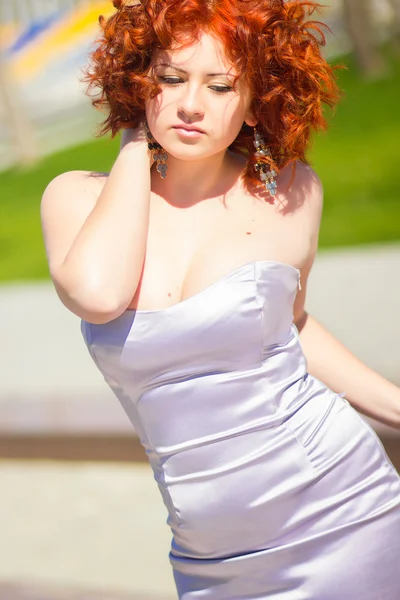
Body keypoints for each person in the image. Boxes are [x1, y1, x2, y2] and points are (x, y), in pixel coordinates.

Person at [40, 0, 400, 597]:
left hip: (341, 509)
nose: (189, 104)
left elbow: (291, 326)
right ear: (137, 81)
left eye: (220, 84)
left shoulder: (291, 192)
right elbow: (100, 295)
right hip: (213, 557)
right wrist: (135, 143)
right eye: (170, 78)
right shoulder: (74, 198)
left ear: (258, 99)